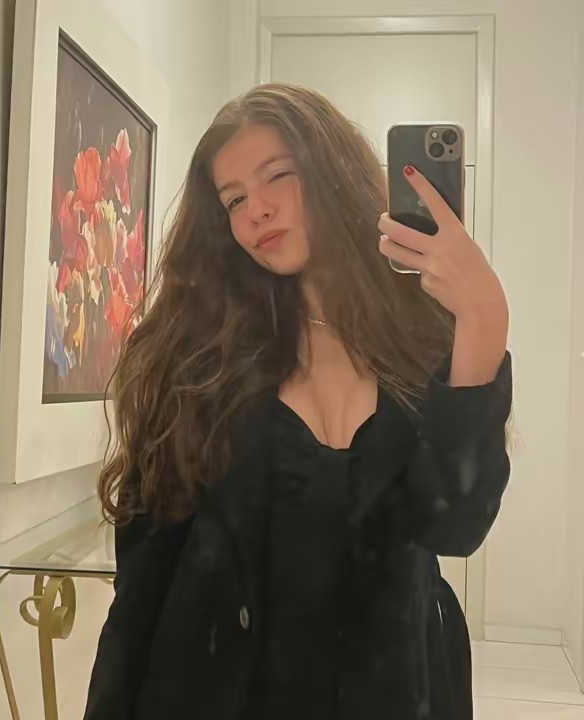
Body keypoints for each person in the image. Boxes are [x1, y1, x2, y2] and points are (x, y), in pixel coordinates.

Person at [83, 83, 512, 720]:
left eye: (277, 175)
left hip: (395, 688)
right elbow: (144, 581)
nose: (256, 209)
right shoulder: (197, 353)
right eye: (234, 199)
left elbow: (455, 524)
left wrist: (483, 318)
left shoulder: (420, 337)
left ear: (331, 171)